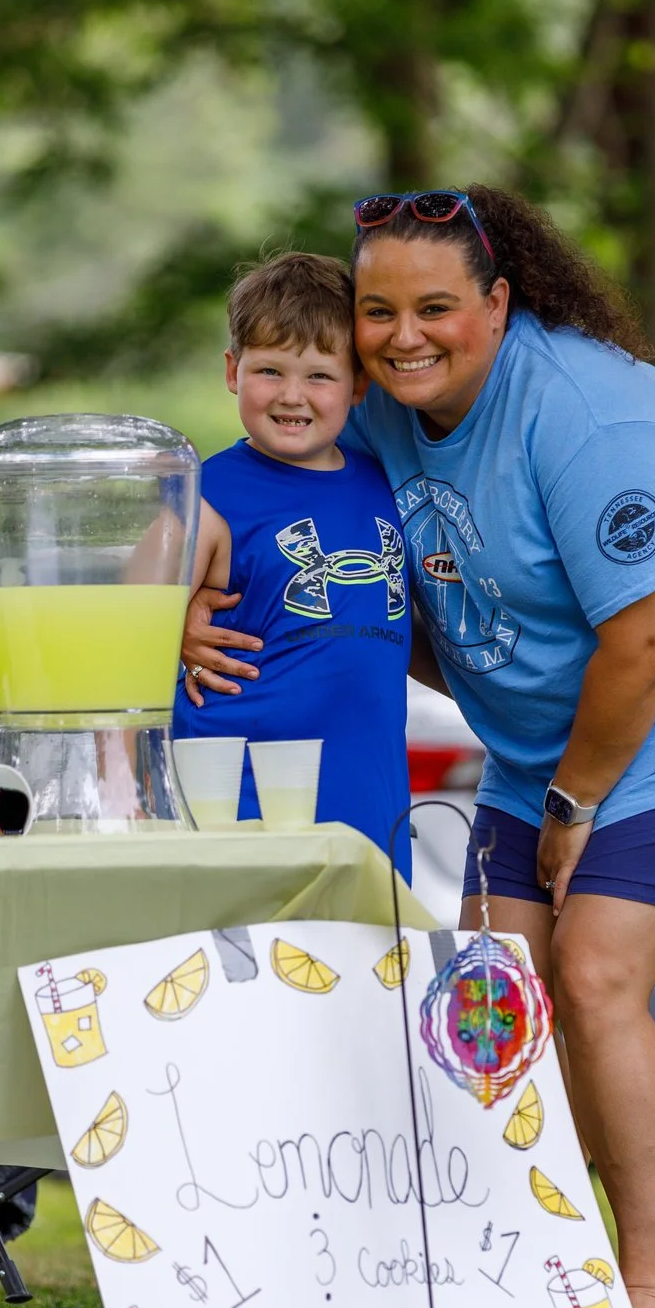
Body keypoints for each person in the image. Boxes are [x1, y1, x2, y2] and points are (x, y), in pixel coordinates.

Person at [184, 188, 655, 1308]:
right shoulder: (386, 406)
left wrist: (577, 804)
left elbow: (644, 640)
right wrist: (184, 603)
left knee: (593, 974)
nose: (402, 336)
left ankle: (645, 1284)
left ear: (498, 302)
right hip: (547, 742)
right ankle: (532, 1251)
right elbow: (309, 527)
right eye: (377, 312)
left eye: (435, 307)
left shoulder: (592, 413)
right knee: (491, 989)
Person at [174, 251, 412, 874]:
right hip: (241, 816)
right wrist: (172, 630)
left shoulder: (386, 484)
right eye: (269, 370)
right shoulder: (204, 495)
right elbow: (125, 630)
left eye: (319, 376)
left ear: (360, 384)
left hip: (371, 811)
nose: (291, 396)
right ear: (232, 370)